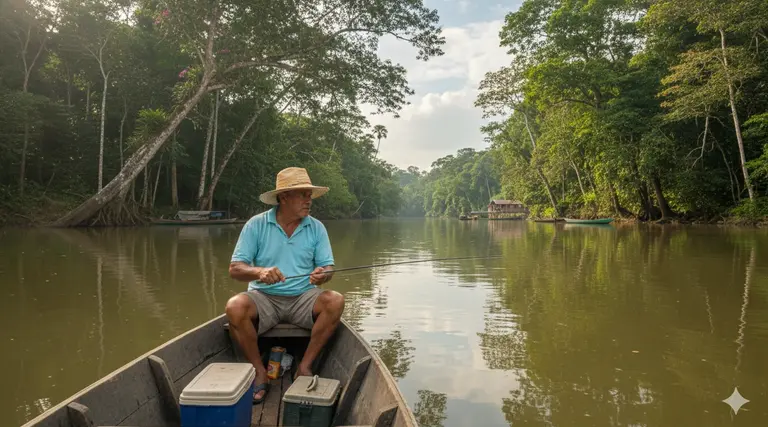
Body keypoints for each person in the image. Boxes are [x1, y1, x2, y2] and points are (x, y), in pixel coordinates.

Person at [225, 167, 345, 404]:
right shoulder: (256, 225)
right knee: (234, 307)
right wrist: (260, 272)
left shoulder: (316, 227)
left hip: (303, 297)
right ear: (283, 197)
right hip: (264, 297)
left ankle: (305, 366)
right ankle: (259, 371)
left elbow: (328, 267)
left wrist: (323, 274)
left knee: (335, 301)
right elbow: (235, 269)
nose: (309, 200)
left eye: (310, 195)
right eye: (303, 195)